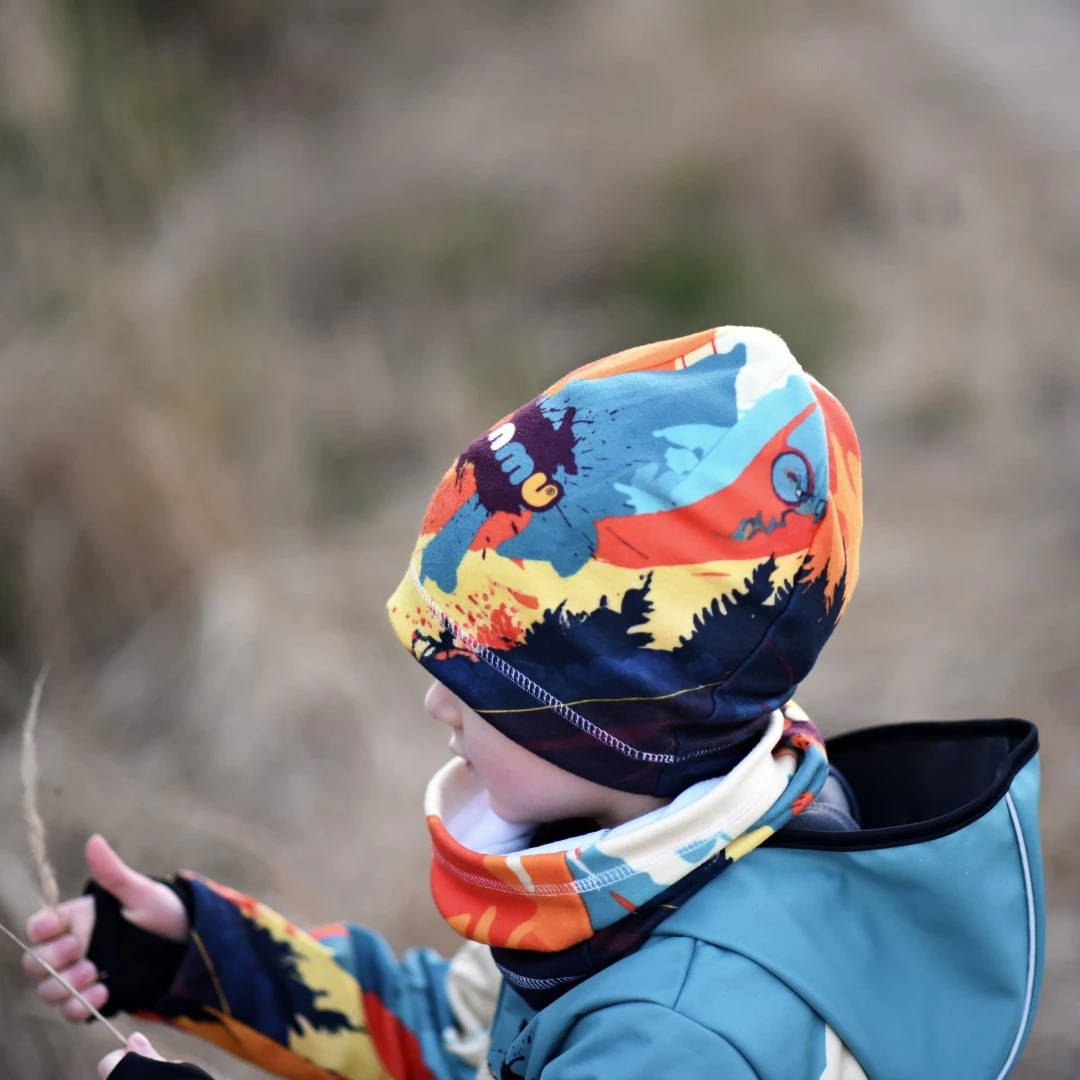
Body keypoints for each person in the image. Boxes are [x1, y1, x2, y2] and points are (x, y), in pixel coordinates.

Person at [24, 327, 1044, 1079]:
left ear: (614, 725)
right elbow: (466, 1042)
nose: (437, 702)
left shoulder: (680, 1035)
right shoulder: (642, 856)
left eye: (483, 684)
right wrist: (209, 960)